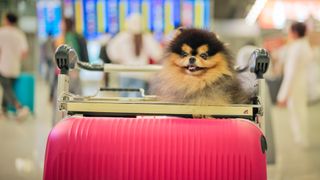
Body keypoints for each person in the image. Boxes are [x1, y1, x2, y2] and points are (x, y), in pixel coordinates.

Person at [107, 13, 162, 97]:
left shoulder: (124, 37)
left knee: (127, 97)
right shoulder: (125, 37)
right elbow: (157, 53)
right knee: (135, 98)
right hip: (133, 73)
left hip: (133, 73)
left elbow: (111, 50)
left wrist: (118, 59)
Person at [277, 22, 313, 146]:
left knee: (297, 112)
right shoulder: (305, 45)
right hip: (301, 83)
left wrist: (282, 96)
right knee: (301, 111)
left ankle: (301, 138)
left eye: (290, 31)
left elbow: (290, 74)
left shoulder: (296, 48)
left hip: (295, 85)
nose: (289, 33)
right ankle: (302, 137)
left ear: (295, 33)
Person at [0, 12, 29, 119]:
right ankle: (3, 110)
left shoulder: (2, 32)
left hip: (3, 66)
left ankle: (20, 108)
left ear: (7, 20)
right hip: (15, 67)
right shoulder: (19, 34)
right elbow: (24, 52)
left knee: (7, 89)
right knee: (8, 88)